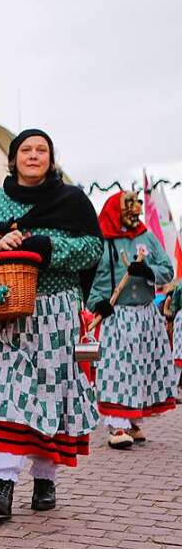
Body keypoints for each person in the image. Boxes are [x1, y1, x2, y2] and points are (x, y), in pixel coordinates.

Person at [0, 128, 103, 518]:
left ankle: (44, 479)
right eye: (27, 149)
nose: (34, 155)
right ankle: (1, 485)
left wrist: (47, 247)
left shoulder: (72, 201)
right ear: (13, 158)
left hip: (55, 311)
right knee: (1, 391)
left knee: (49, 392)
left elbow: (92, 249)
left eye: (42, 150)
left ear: (51, 158)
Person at [88, 190, 176, 447]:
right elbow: (92, 281)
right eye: (128, 207)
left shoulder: (147, 237)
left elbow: (167, 270)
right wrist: (98, 304)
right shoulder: (103, 243)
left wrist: (148, 270)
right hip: (118, 315)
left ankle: (131, 420)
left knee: (141, 369)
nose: (134, 213)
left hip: (147, 315)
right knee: (117, 369)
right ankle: (116, 425)